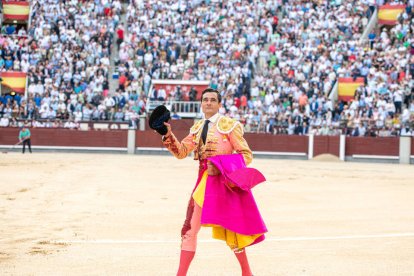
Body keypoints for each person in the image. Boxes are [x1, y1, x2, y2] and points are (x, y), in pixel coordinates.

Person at [159, 88, 267, 276]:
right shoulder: (198, 127)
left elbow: (246, 155)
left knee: (232, 231)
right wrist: (167, 134)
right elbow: (181, 152)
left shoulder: (229, 126)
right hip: (202, 183)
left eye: (212, 100)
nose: (208, 102)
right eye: (205, 100)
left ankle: (246, 272)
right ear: (201, 104)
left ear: (219, 104)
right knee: (189, 229)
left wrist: (220, 166)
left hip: (223, 183)